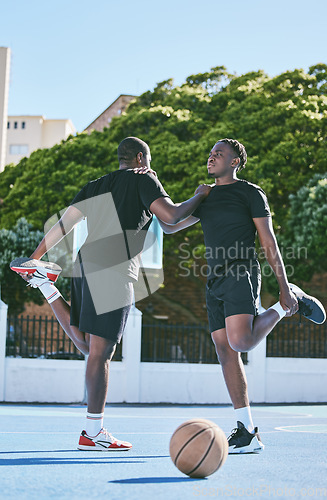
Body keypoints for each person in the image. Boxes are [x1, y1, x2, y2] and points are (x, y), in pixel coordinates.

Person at [10, 136, 212, 451]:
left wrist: (36, 258)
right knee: (101, 353)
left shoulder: (96, 185)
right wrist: (199, 196)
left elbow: (64, 225)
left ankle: (46, 284)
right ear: (142, 158)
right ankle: (92, 433)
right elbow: (171, 216)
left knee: (90, 347)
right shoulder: (144, 179)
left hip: (85, 264)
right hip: (114, 269)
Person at [157, 138, 326, 454]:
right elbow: (170, 225)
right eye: (210, 153)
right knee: (225, 350)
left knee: (242, 341)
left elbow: (268, 240)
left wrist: (284, 285)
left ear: (235, 162)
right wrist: (196, 196)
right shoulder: (205, 197)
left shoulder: (250, 193)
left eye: (219, 154)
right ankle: (247, 430)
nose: (212, 157)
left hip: (241, 270)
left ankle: (289, 302)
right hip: (214, 278)